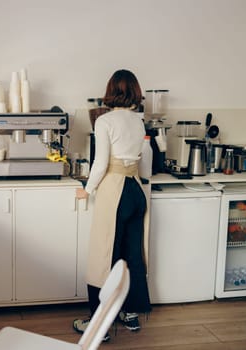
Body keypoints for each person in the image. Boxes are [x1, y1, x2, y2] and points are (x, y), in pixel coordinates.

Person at [73, 69, 151, 341]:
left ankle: (98, 326)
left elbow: (101, 163)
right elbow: (140, 160)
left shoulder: (105, 121)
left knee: (103, 256)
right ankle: (130, 314)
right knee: (131, 255)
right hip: (136, 190)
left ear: (111, 90)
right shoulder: (139, 121)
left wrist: (87, 189)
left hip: (115, 190)